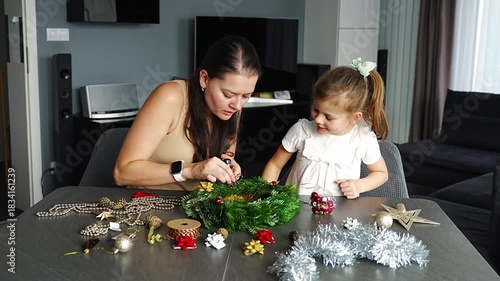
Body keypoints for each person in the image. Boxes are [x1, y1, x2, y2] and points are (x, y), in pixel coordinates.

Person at [114, 35, 261, 190]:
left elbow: (227, 154)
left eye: (246, 96)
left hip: (196, 208)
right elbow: (122, 173)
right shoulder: (170, 97)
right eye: (227, 94)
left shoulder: (231, 108)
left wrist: (227, 166)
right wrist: (190, 170)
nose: (238, 105)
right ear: (204, 79)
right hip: (148, 205)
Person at [261, 58, 389, 199]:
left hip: (339, 214)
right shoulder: (302, 130)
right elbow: (275, 164)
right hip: (296, 211)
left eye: (328, 117)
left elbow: (381, 173)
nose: (318, 119)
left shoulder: (363, 140)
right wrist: (266, 198)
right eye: (316, 109)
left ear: (354, 118)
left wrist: (359, 186)